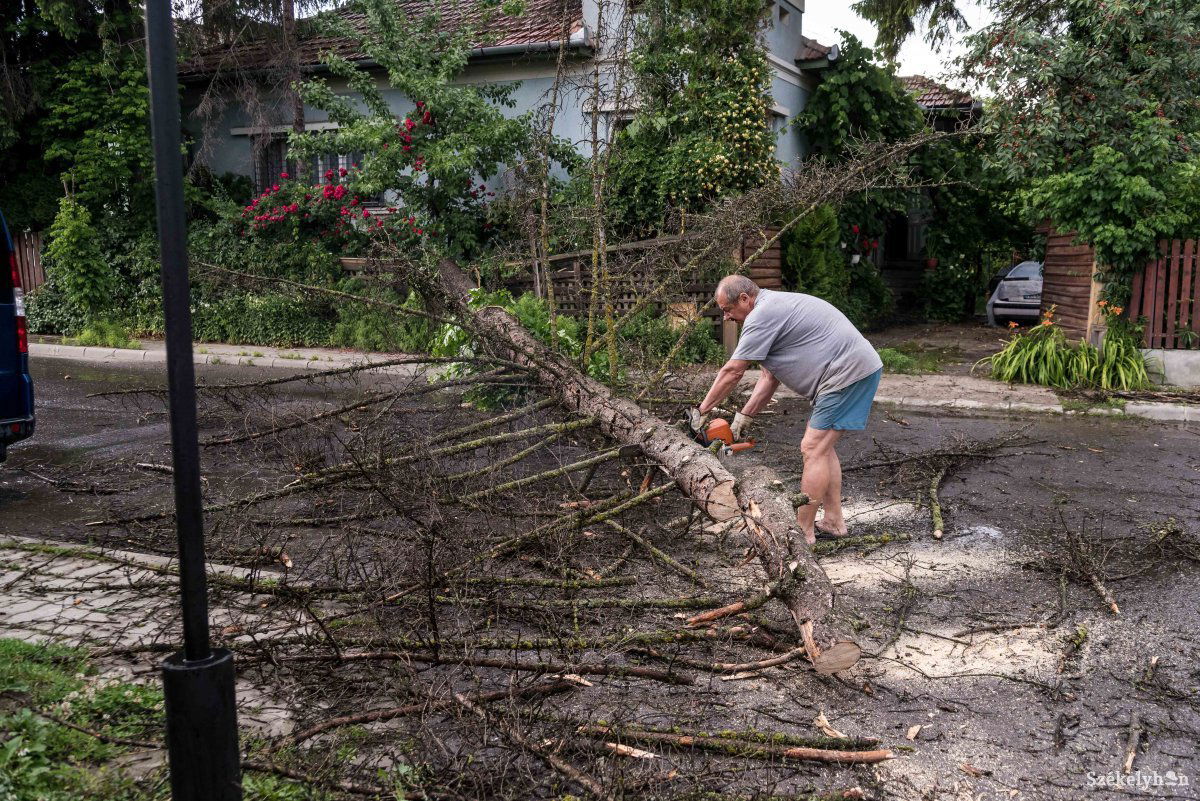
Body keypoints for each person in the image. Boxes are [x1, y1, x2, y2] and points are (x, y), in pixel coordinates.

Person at [689, 276, 883, 545]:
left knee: (813, 448)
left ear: (745, 299)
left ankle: (803, 533)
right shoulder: (773, 307)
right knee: (822, 449)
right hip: (852, 369)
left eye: (727, 309)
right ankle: (833, 521)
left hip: (847, 372)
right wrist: (743, 418)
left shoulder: (762, 316)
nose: (726, 318)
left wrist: (701, 411)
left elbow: (733, 371)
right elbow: (769, 377)